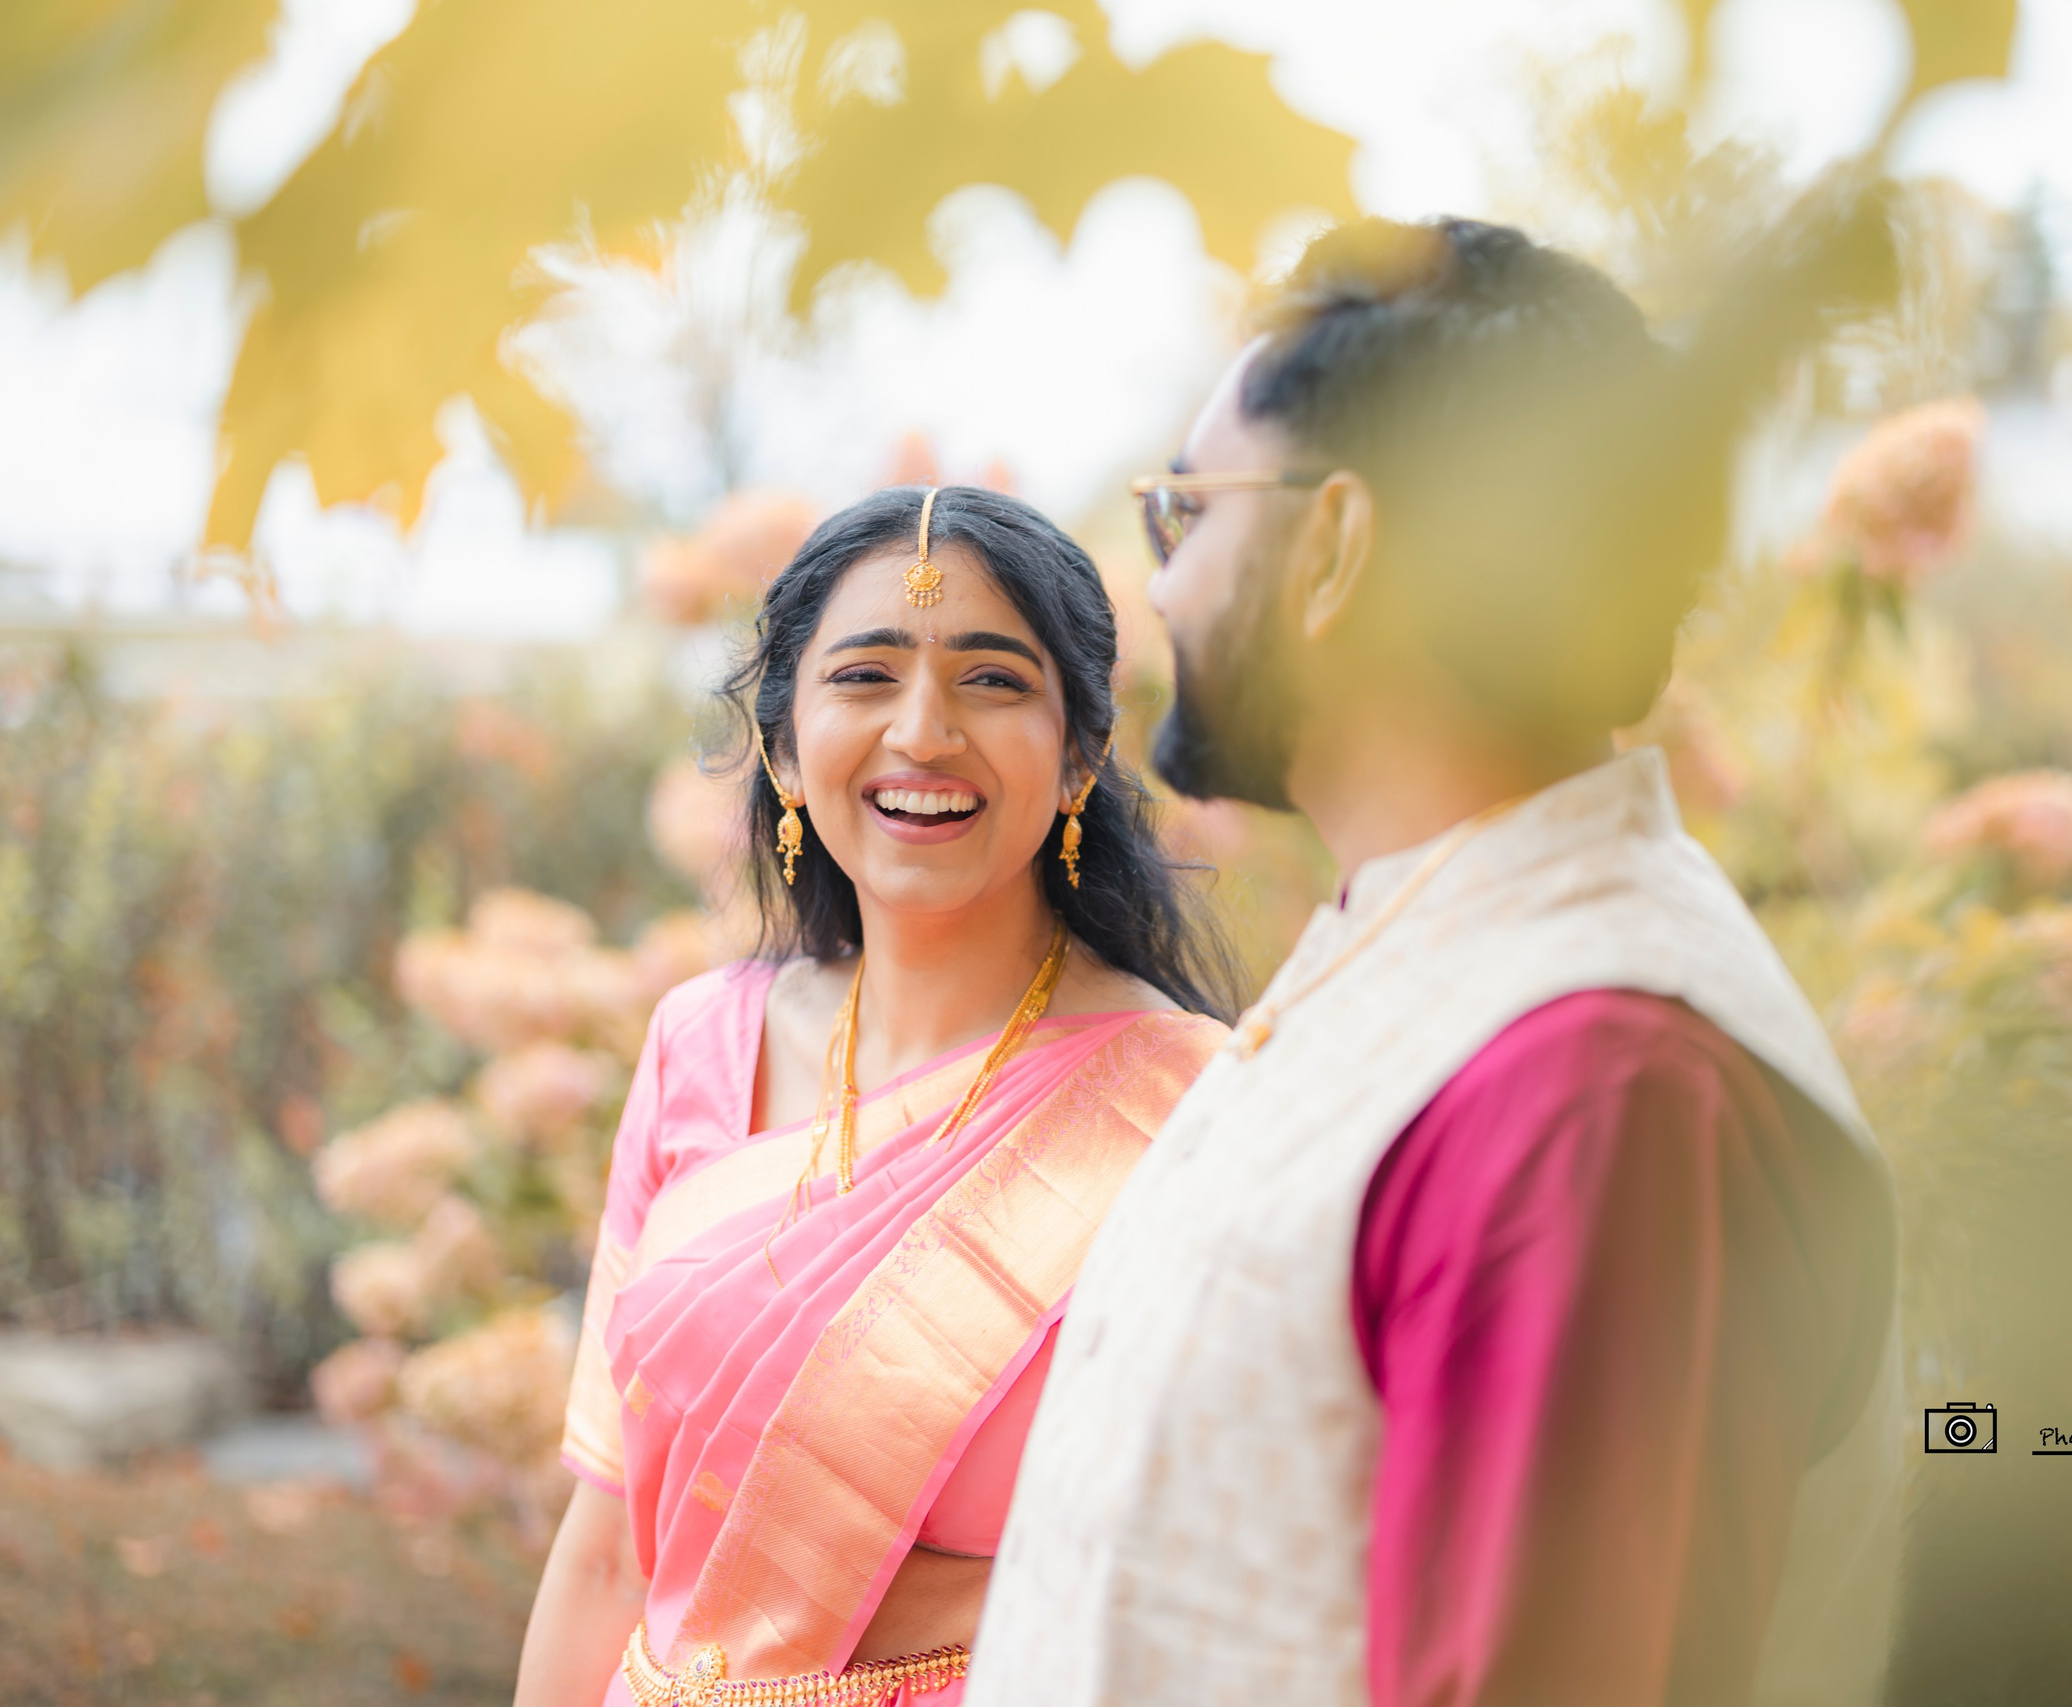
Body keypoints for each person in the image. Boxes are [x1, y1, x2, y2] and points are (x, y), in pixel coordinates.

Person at [969, 219, 1904, 1707]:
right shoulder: (1428, 945)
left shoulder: (1593, 1084)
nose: (1163, 585)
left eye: (1185, 515)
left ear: (1338, 546)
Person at [514, 485, 1232, 1707]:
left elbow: (1236, 1570)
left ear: (1082, 754)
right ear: (787, 747)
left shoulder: (1185, 1108)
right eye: (864, 676)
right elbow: (603, 1555)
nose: (923, 732)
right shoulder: (700, 1042)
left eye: (993, 681)